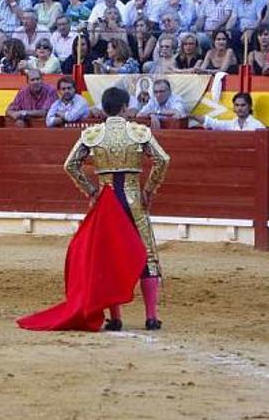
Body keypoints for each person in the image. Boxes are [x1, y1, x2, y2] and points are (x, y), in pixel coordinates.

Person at [20, 86, 169, 332]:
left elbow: (71, 165)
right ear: (124, 108)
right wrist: (149, 190)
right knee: (147, 255)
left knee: (107, 259)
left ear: (104, 109)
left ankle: (117, 319)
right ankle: (151, 317)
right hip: (133, 200)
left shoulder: (93, 134)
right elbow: (163, 159)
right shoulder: (139, 132)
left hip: (107, 201)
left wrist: (90, 191)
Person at [192, 92, 266, 130]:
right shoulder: (231, 124)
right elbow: (212, 122)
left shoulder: (258, 125)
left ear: (249, 106)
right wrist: (191, 116)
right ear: (234, 107)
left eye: (243, 105)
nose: (239, 108)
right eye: (237, 105)